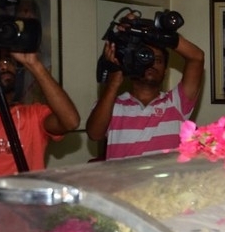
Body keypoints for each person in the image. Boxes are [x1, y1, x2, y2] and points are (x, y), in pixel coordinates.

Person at [86, 16, 205, 160]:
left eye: (158, 60)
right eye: (145, 57)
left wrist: (151, 31)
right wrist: (112, 84)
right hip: (123, 182)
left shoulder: (176, 103)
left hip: (165, 182)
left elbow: (197, 57)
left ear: (165, 70)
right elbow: (94, 134)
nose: (152, 64)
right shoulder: (113, 105)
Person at [0, 51, 80, 178]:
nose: (4, 66)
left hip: (27, 196)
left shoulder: (34, 115)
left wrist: (34, 64)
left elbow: (71, 122)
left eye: (9, 61)